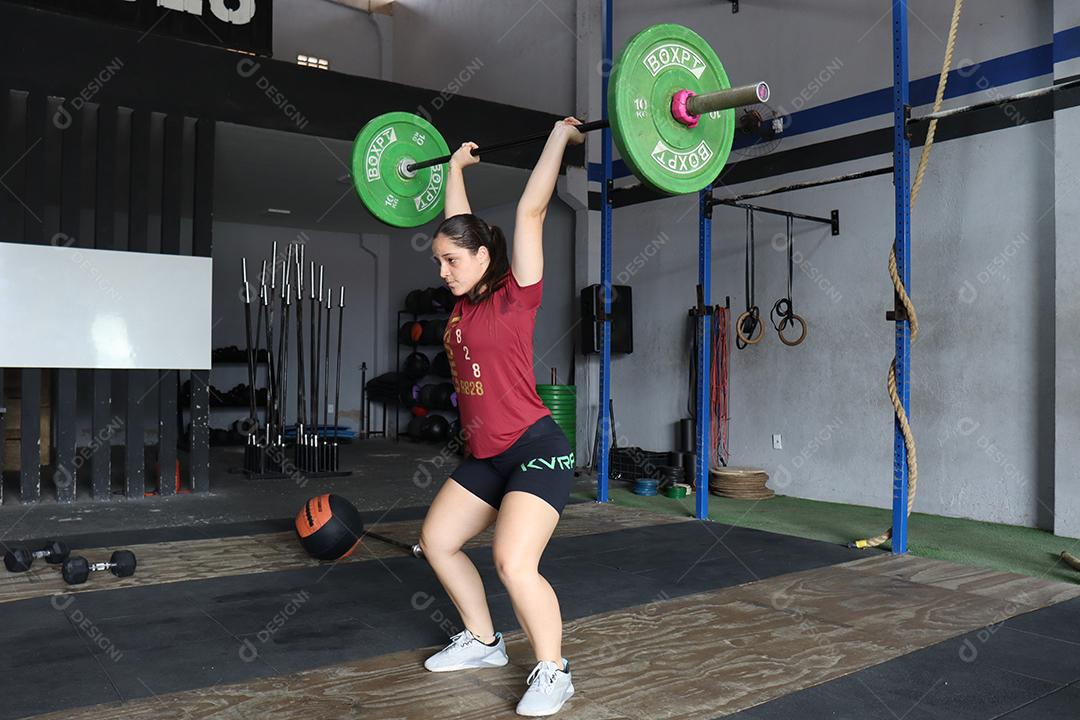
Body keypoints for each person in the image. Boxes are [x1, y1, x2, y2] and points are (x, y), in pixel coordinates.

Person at [417, 117, 584, 717]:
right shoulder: (463, 300)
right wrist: (454, 171)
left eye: (451, 262)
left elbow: (531, 213)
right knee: (437, 541)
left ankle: (553, 669)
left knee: (514, 562)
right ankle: (485, 642)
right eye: (439, 260)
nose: (443, 272)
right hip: (487, 455)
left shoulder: (518, 293)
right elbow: (461, 229)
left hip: (537, 448)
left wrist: (559, 139)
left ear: (483, 259)